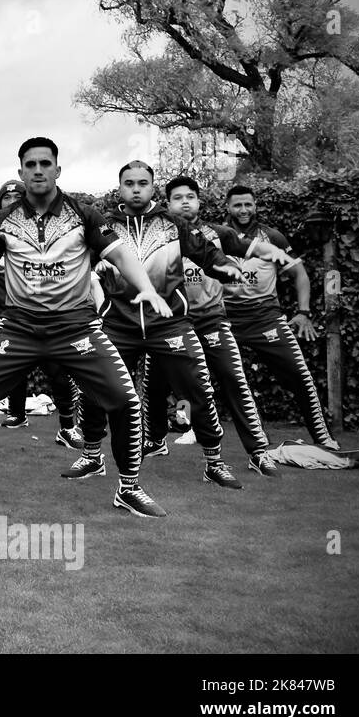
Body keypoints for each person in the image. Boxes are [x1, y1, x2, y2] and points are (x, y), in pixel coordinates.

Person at [0, 137, 174, 518]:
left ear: (58, 170)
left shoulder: (84, 215)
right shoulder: (3, 220)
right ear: (20, 172)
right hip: (18, 328)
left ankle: (128, 488)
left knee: (126, 400)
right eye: (30, 165)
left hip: (75, 327)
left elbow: (119, 254)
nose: (38, 170)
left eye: (45, 163)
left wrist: (146, 287)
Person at [62, 161, 247, 489]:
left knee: (198, 389)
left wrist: (225, 268)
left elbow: (208, 256)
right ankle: (92, 456)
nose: (136, 189)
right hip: (119, 323)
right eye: (129, 183)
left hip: (170, 323)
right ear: (120, 188)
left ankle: (215, 462)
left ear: (152, 187)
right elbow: (77, 265)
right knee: (94, 386)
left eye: (143, 183)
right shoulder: (104, 227)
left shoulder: (173, 224)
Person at [143, 175, 294, 476]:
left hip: (211, 319)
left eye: (190, 196)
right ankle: (158, 439)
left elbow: (248, 253)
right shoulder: (157, 236)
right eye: (177, 197)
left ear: (199, 202)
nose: (185, 201)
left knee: (233, 379)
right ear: (167, 203)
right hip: (169, 323)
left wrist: (236, 267)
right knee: (155, 383)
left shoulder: (218, 233)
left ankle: (258, 452)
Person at [219, 185, 339, 449]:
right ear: (227, 207)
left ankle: (324, 438)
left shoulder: (272, 237)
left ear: (255, 205)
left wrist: (304, 313)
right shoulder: (216, 237)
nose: (243, 210)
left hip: (266, 318)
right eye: (237, 205)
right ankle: (255, 444)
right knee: (221, 381)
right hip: (225, 320)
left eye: (248, 204)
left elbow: (300, 275)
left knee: (300, 376)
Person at [0, 180, 84, 448]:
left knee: (59, 370)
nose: (10, 203)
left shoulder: (43, 239)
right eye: (5, 200)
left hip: (35, 316)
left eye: (16, 198)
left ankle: (67, 427)